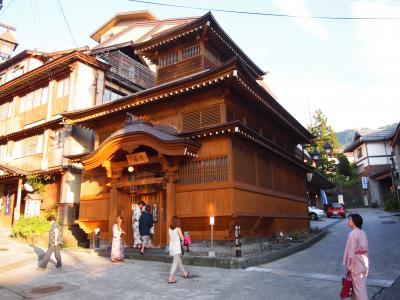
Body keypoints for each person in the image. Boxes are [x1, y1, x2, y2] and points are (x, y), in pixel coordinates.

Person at [343, 214, 369, 300]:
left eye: (350, 220)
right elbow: (365, 249)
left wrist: (350, 266)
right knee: (357, 287)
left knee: (359, 289)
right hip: (363, 261)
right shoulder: (363, 232)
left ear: (355, 222)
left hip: (355, 263)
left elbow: (351, 252)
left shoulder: (352, 234)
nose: (348, 221)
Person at [168, 216, 191, 284]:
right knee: (175, 263)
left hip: (172, 247)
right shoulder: (178, 229)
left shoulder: (169, 228)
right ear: (177, 221)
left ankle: (185, 273)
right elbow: (183, 239)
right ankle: (170, 278)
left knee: (178, 261)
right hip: (176, 248)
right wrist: (188, 238)